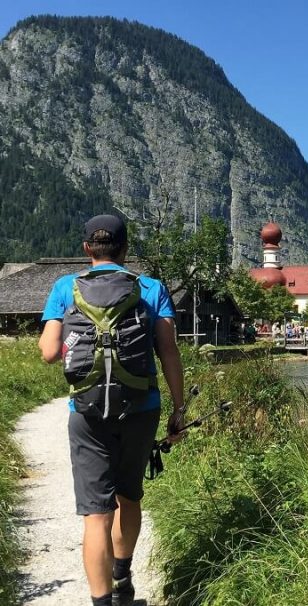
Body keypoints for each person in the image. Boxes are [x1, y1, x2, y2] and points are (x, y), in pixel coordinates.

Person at [38, 215, 185, 606]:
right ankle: (123, 579)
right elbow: (168, 351)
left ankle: (102, 601)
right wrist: (179, 409)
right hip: (142, 407)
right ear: (125, 249)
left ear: (87, 248)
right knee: (129, 497)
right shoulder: (151, 288)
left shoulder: (64, 288)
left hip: (85, 411)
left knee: (95, 515)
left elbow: (50, 353)